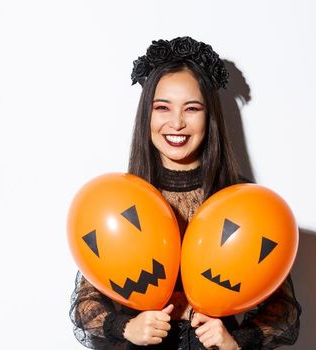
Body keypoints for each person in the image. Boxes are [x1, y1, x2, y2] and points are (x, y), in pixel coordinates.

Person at [70, 37, 301, 350]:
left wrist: (237, 340)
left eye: (192, 108)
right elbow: (86, 303)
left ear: (209, 117)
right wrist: (126, 326)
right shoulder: (120, 199)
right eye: (162, 107)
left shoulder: (246, 203)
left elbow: (283, 309)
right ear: (146, 117)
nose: (176, 122)